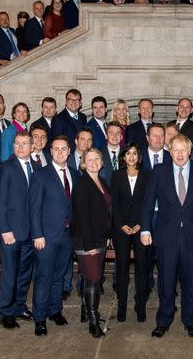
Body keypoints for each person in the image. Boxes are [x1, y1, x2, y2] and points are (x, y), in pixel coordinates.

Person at [141, 134, 193, 338]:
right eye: (175, 150)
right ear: (169, 151)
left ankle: (189, 320)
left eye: (184, 150)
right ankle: (163, 320)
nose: (180, 154)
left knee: (189, 282)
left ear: (190, 152)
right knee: (166, 282)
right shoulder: (159, 171)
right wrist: (145, 229)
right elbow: (148, 203)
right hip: (166, 236)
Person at [31, 136, 78, 336]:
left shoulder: (75, 174)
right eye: (56, 149)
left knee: (59, 276)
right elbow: (33, 208)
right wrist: (37, 234)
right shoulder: (41, 174)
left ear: (69, 151)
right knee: (43, 278)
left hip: (68, 236)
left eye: (63, 149)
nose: (60, 152)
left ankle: (55, 310)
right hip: (46, 237)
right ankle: (40, 318)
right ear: (51, 152)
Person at [0, 131, 40, 329]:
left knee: (24, 273)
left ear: (32, 147)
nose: (20, 147)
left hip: (31, 233)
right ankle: (6, 312)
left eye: (24, 144)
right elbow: (0, 202)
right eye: (17, 144)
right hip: (11, 233)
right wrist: (5, 230)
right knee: (10, 274)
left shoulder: (37, 168)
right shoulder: (5, 168)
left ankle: (20, 306)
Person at [71, 148, 112, 337]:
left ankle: (86, 313)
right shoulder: (81, 184)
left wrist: (108, 234)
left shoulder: (101, 181)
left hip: (101, 238)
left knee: (90, 277)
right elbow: (82, 217)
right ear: (83, 163)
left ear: (102, 162)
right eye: (90, 159)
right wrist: (90, 246)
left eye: (97, 159)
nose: (94, 162)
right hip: (86, 240)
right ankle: (93, 322)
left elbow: (106, 211)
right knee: (94, 278)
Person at [111, 143, 150, 323]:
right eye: (128, 154)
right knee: (122, 269)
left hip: (141, 228)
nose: (132, 157)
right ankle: (121, 309)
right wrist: (121, 224)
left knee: (142, 268)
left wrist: (141, 224)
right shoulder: (116, 175)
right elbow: (115, 204)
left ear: (138, 156)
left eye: (135, 153)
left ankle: (141, 307)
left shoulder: (147, 175)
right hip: (122, 229)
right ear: (123, 157)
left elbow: (148, 203)